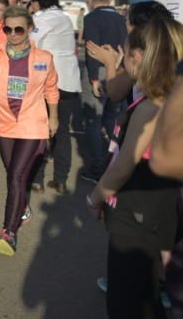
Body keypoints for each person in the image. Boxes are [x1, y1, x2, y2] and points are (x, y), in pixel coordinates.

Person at [87, 17, 183, 317]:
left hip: (137, 212)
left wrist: (96, 197)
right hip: (151, 210)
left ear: (138, 57)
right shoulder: (162, 99)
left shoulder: (150, 107)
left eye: (125, 53)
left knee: (126, 302)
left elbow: (123, 166)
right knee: (145, 294)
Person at [0, 5, 59, 256]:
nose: (13, 33)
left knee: (16, 177)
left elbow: (52, 90)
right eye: (7, 28)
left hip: (33, 124)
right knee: (13, 173)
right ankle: (23, 206)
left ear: (30, 29)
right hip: (3, 123)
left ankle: (8, 232)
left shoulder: (44, 58)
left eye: (19, 29)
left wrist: (54, 118)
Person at [28, 0, 80, 194]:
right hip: (69, 81)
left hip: (48, 81)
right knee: (62, 133)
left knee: (41, 130)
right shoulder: (65, 17)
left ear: (37, 2)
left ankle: (37, 179)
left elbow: (31, 42)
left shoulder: (43, 18)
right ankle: (60, 180)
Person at [80, 0, 128, 184]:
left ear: (91, 0)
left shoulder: (91, 18)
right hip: (117, 69)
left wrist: (92, 79)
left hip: (98, 70)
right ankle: (118, 159)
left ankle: (97, 167)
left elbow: (92, 49)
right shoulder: (121, 18)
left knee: (93, 120)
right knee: (112, 118)